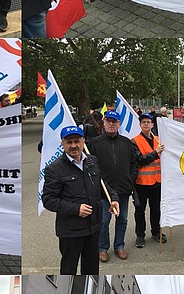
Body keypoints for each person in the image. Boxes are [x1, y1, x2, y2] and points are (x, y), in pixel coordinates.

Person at [43, 125, 119, 274]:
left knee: (91, 269)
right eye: (69, 142)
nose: (73, 146)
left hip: (94, 227)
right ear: (62, 143)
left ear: (83, 141)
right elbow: (48, 199)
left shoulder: (92, 161)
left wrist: (113, 199)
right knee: (68, 269)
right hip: (71, 231)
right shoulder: (54, 169)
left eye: (77, 141)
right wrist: (76, 209)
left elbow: (102, 184)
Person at [88, 111, 138, 262]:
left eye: (114, 121)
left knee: (122, 220)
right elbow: (90, 166)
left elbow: (134, 162)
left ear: (119, 124)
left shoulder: (126, 142)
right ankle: (102, 248)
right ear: (103, 122)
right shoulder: (94, 144)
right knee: (103, 221)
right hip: (103, 192)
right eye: (108, 121)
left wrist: (131, 179)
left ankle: (119, 246)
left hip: (123, 190)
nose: (111, 124)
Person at [132, 113, 166, 247]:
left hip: (157, 182)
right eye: (143, 122)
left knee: (156, 209)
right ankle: (140, 235)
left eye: (148, 122)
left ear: (152, 124)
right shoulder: (134, 141)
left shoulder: (159, 140)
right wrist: (156, 152)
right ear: (140, 125)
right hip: (141, 183)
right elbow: (139, 160)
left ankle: (156, 231)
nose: (146, 124)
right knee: (140, 211)